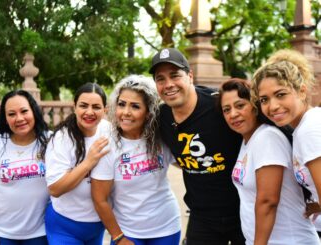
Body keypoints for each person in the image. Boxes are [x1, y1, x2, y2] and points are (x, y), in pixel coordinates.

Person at [149, 48, 245, 245]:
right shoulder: (160, 117)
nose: (169, 84)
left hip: (242, 212)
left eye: (175, 75)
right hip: (202, 217)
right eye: (161, 79)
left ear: (190, 76)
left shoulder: (220, 105)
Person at [219, 78, 319, 244]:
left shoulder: (267, 138)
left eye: (240, 105)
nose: (233, 114)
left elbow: (268, 201)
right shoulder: (247, 141)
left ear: (255, 106)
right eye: (226, 109)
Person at [91, 75, 181, 245]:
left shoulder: (161, 139)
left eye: (135, 106)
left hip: (167, 227)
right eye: (121, 104)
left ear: (148, 113)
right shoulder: (108, 146)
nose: (126, 112)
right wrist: (118, 237)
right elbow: (99, 199)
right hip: (127, 232)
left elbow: (187, 164)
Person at [252, 49, 321, 236]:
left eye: (281, 94)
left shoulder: (309, 130)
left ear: (302, 91)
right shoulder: (304, 127)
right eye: (264, 99)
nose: (272, 106)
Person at [45, 83, 110, 245]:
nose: (89, 112)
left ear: (105, 110)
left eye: (96, 107)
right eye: (83, 106)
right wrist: (88, 162)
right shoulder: (61, 138)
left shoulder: (109, 131)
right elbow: (55, 189)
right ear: (74, 107)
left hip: (97, 224)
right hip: (65, 225)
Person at [0, 90, 49, 245]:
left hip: (40, 233)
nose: (19, 118)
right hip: (2, 234)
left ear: (34, 111)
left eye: (24, 111)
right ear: (5, 118)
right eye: (11, 114)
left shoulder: (50, 141)